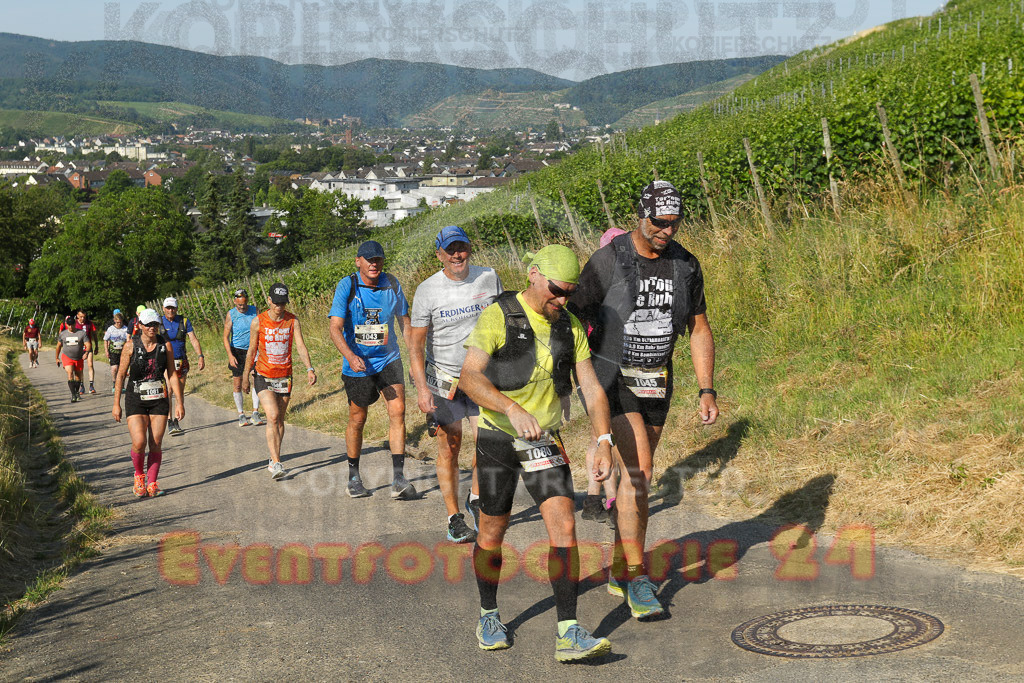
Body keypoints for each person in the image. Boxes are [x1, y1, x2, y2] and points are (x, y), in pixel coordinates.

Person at [569, 180, 719, 620]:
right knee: (640, 471)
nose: (666, 231)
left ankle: (620, 565)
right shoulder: (608, 260)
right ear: (641, 215)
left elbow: (699, 328)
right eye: (659, 222)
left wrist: (706, 387)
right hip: (611, 378)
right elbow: (573, 319)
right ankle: (638, 577)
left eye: (674, 223)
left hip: (657, 380)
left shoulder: (686, 266)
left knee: (637, 481)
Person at [460, 244, 615, 662]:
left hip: (543, 440)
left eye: (568, 293)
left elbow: (592, 387)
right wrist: (510, 407)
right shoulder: (499, 316)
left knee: (564, 526)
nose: (561, 300)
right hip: (496, 438)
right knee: (492, 532)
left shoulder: (570, 325)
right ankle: (488, 615)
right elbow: (469, 378)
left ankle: (569, 630)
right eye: (556, 290)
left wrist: (604, 440)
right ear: (533, 274)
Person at [409, 226, 502, 543]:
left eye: (461, 248)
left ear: (469, 249)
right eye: (450, 250)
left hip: (480, 376)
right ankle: (454, 517)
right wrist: (422, 389)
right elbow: (415, 346)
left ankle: (475, 498)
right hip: (444, 381)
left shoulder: (488, 277)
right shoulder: (427, 290)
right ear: (440, 255)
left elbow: (500, 321)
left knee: (486, 442)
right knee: (450, 447)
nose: (457, 255)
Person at [328, 240, 415, 500]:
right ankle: (354, 478)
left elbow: (405, 322)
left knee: (398, 411)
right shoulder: (348, 285)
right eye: (368, 259)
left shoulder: (393, 284)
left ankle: (398, 478)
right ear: (358, 261)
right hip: (359, 363)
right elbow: (335, 327)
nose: (373, 263)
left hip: (388, 359)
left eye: (378, 259)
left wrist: (414, 360)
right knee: (358, 418)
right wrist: (350, 355)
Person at [242, 283, 316, 479]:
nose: (279, 307)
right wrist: (245, 377)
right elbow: (251, 351)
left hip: (284, 376)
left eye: (283, 303)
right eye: (276, 303)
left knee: (280, 420)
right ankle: (276, 463)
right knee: (273, 416)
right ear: (269, 301)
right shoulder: (258, 322)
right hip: (263, 375)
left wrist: (309, 368)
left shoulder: (292, 321)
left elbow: (300, 345)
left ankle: (274, 457)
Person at [112, 308, 184, 498]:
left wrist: (179, 402)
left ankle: (152, 483)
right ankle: (139, 476)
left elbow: (172, 374)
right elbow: (120, 375)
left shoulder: (164, 345)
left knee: (156, 442)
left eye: (155, 324)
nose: (153, 328)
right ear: (140, 326)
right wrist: (116, 403)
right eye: (149, 324)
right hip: (136, 398)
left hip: (159, 399)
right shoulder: (130, 346)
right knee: (139, 442)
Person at [159, 297, 205, 436]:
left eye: (172, 308)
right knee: (169, 389)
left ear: (177, 308)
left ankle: (178, 418)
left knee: (179, 390)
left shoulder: (184, 321)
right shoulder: (159, 322)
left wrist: (200, 356)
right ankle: (169, 421)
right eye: (168, 308)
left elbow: (193, 339)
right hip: (166, 361)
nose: (170, 310)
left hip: (181, 360)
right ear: (163, 308)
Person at [223, 288, 263, 427]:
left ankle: (255, 412)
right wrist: (230, 355)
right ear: (235, 302)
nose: (242, 307)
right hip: (237, 351)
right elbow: (225, 336)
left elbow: (262, 329)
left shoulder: (255, 311)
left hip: (253, 349)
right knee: (238, 383)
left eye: (244, 304)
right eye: (239, 305)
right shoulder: (231, 314)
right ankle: (241, 414)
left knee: (256, 379)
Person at [56, 315, 90, 402]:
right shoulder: (63, 334)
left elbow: (88, 344)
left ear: (75, 324)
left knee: (78, 376)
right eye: (69, 325)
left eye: (72, 324)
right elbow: (58, 346)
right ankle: (73, 395)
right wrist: (57, 357)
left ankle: (76, 391)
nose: (71, 327)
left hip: (78, 357)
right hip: (67, 356)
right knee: (70, 373)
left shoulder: (81, 333)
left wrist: (86, 352)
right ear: (66, 325)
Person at [73, 309, 99, 394]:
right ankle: (82, 385)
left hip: (88, 347)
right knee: (80, 368)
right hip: (78, 348)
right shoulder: (74, 324)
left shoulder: (89, 323)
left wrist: (96, 346)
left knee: (90, 364)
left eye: (84, 317)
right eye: (81, 317)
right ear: (77, 316)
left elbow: (94, 334)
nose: (83, 318)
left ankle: (91, 386)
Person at [103, 312, 130, 394]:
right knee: (114, 368)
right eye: (117, 322)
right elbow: (105, 339)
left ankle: (122, 385)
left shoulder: (125, 329)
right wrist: (106, 350)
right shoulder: (111, 329)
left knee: (123, 369)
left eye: (120, 322)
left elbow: (128, 340)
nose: (119, 324)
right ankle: (115, 383)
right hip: (113, 352)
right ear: (114, 321)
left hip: (123, 352)